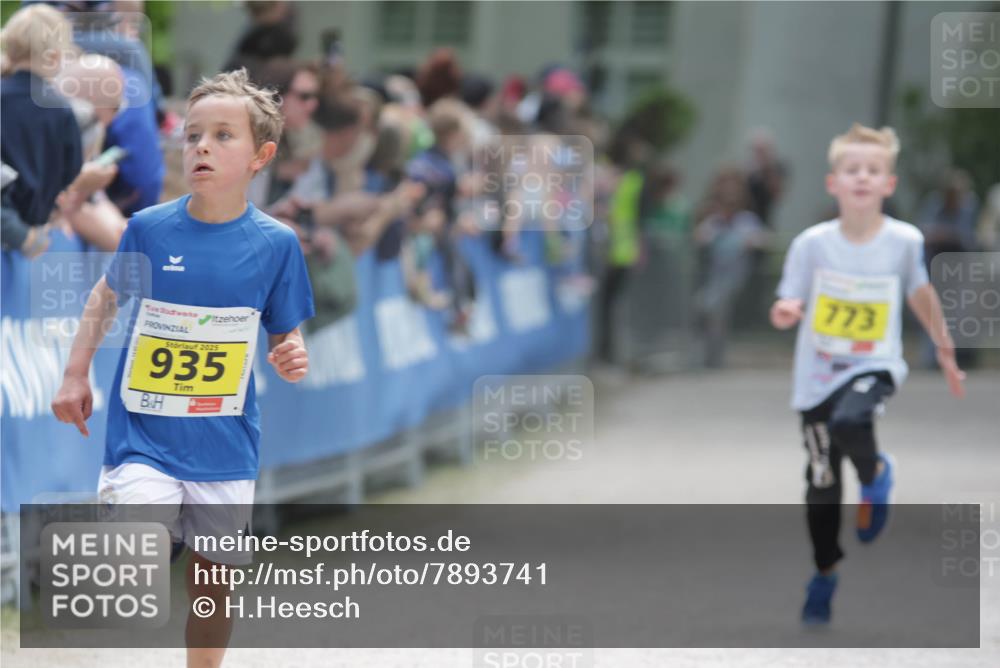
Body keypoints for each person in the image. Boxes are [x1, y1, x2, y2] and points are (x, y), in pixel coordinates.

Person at [51, 68, 314, 668]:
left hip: (225, 440)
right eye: (193, 134)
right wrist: (74, 374)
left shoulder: (277, 243)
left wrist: (293, 355)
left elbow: (286, 332)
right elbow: (105, 298)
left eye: (224, 136)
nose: (201, 146)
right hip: (144, 434)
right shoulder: (149, 228)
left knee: (212, 582)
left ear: (261, 156)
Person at [769, 123, 965, 625]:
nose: (862, 177)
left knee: (851, 422)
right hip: (815, 376)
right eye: (852, 169)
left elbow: (919, 292)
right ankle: (825, 571)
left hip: (872, 363)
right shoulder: (811, 244)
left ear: (888, 185)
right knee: (820, 483)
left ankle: (876, 473)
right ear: (834, 182)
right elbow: (787, 299)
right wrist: (787, 312)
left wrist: (943, 345)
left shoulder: (903, 240)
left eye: (872, 170)